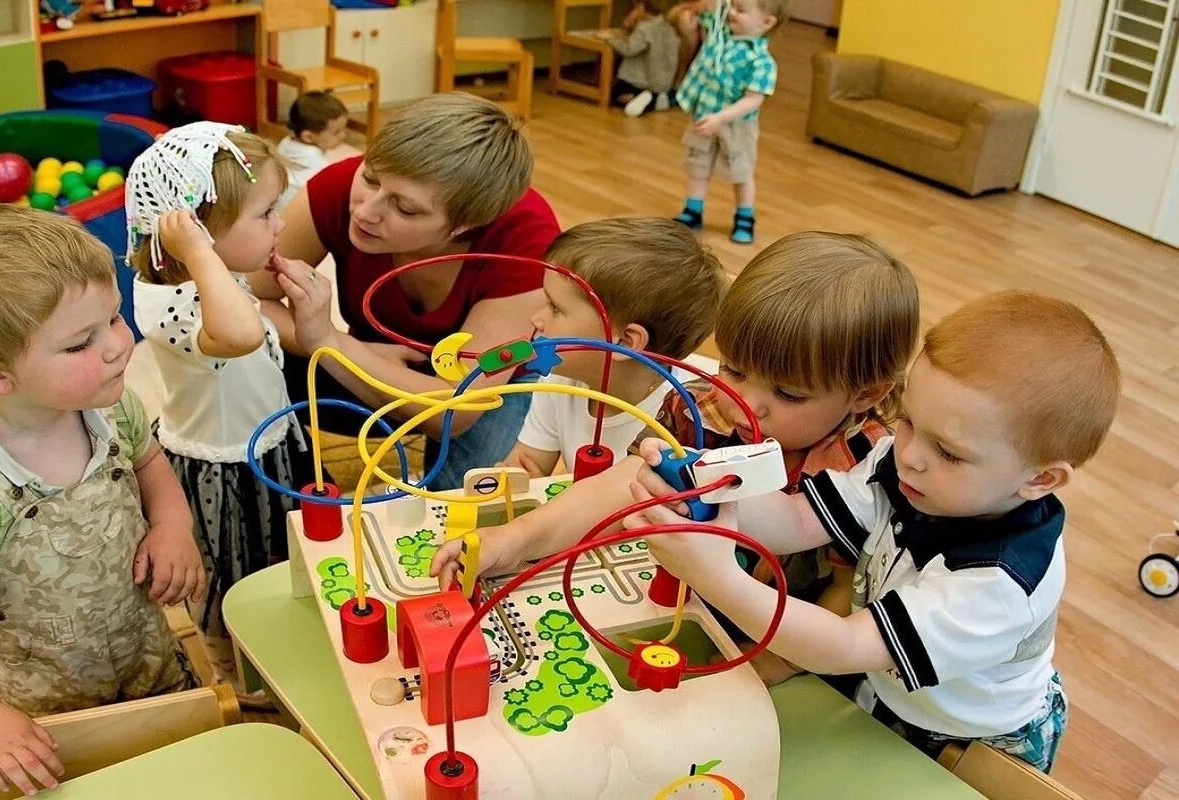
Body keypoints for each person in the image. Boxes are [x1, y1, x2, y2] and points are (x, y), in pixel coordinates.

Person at [629, 290, 1120, 773]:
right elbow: (798, 520)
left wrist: (717, 577)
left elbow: (845, 646)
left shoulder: (997, 582)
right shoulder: (906, 468)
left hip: (967, 739)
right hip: (887, 685)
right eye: (908, 422)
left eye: (948, 452)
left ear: (1041, 479)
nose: (909, 454)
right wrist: (707, 480)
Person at [432, 232, 920, 655]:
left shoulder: (869, 470)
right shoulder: (700, 408)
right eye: (733, 369)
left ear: (866, 395)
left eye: (787, 394)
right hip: (681, 604)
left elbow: (846, 596)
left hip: (785, 646)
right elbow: (621, 486)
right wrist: (512, 541)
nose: (744, 403)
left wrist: (768, 667)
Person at [0, 204, 203, 796]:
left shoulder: (114, 406)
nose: (120, 346)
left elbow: (150, 463)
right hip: (50, 706)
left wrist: (172, 523)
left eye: (115, 318)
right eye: (79, 344)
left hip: (149, 655)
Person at [251, 92, 562, 489]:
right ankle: (296, 491)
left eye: (406, 209)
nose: (365, 210)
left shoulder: (525, 242)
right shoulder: (336, 188)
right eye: (370, 178)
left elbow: (457, 410)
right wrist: (329, 345)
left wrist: (331, 343)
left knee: (467, 501)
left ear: (466, 225)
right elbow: (246, 296)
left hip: (490, 389)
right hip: (378, 363)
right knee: (237, 351)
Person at [126, 122, 314, 699]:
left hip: (267, 444)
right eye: (264, 215)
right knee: (233, 576)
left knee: (281, 560)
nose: (280, 224)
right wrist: (203, 255)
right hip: (222, 470)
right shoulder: (169, 300)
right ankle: (236, 675)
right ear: (197, 238)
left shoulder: (215, 279)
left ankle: (281, 644)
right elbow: (238, 336)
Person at [502, 217, 725, 477]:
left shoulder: (681, 421)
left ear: (626, 342)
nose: (536, 318)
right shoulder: (561, 378)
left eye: (555, 308)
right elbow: (526, 470)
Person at [672, 0, 788, 243]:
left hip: (736, 125)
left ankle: (744, 215)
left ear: (766, 22)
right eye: (733, 6)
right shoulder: (720, 33)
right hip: (705, 114)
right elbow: (707, 10)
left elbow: (753, 100)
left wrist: (721, 118)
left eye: (741, 10)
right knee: (698, 163)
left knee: (741, 171)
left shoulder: (762, 61)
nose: (732, 13)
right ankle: (693, 209)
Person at [595, 0, 683, 117]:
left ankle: (642, 99)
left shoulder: (644, 29)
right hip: (663, 84)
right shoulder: (670, 28)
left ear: (641, 8)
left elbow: (629, 50)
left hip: (640, 82)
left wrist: (609, 40)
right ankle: (657, 99)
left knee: (613, 94)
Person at [275, 90, 350, 212]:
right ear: (308, 137)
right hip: (294, 215)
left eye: (344, 129)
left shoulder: (286, 142)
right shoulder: (320, 167)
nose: (343, 136)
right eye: (336, 132)